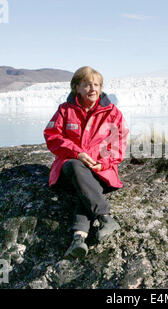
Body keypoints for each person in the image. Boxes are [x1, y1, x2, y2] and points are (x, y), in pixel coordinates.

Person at [44, 66, 129, 259]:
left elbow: (118, 143)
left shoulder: (112, 113)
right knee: (76, 167)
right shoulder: (65, 110)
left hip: (100, 171)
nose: (93, 88)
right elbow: (52, 135)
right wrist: (77, 153)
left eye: (96, 84)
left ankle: (78, 239)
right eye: (87, 84)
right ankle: (105, 217)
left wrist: (103, 163)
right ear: (77, 88)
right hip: (71, 169)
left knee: (85, 191)